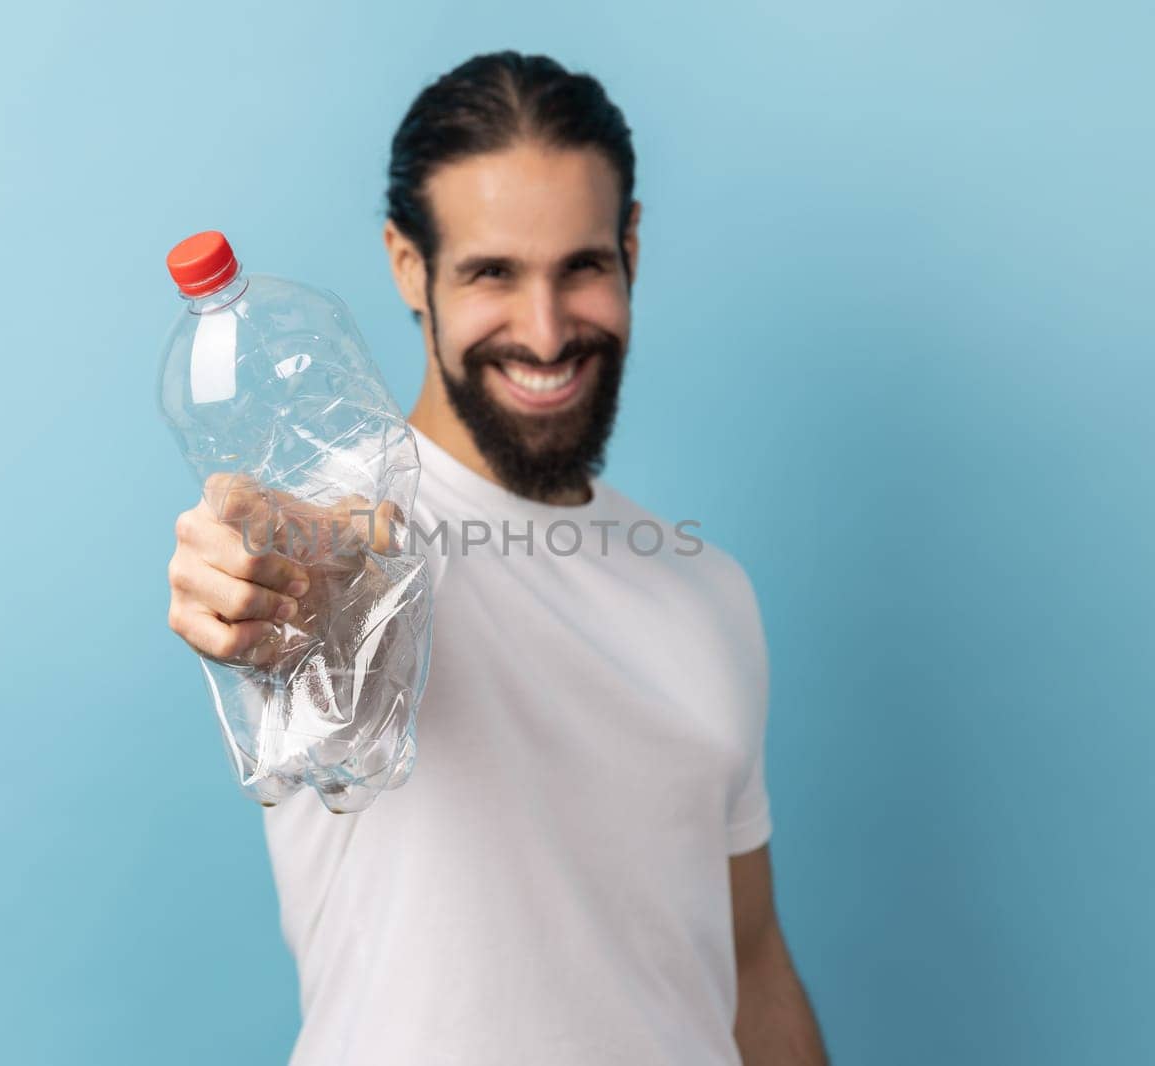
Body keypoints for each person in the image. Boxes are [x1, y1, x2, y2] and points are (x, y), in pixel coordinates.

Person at [166, 50, 829, 1066]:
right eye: (491, 273)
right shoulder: (356, 538)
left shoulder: (709, 594)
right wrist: (253, 590)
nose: (546, 330)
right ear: (406, 268)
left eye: (581, 266)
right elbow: (329, 590)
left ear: (631, 249)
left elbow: (751, 962)